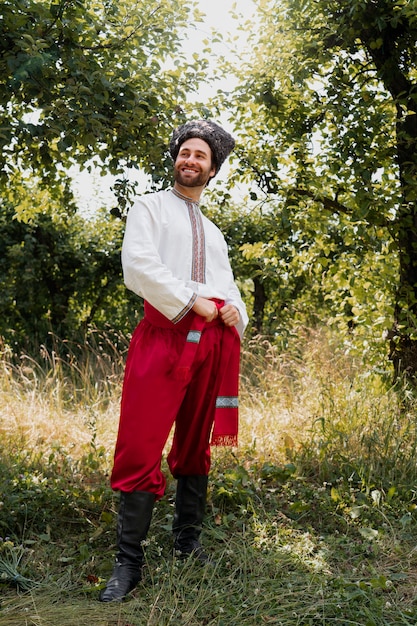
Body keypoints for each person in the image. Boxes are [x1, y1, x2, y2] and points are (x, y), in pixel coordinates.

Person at [99, 119, 249, 602]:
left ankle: (188, 542)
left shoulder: (214, 230)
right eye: (185, 152)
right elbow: (139, 265)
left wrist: (232, 312)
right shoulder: (150, 208)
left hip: (210, 344)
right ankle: (128, 562)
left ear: (213, 168)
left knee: (194, 442)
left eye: (201, 155)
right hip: (163, 337)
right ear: (175, 158)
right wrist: (193, 301)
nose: (191, 160)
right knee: (140, 444)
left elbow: (228, 287)